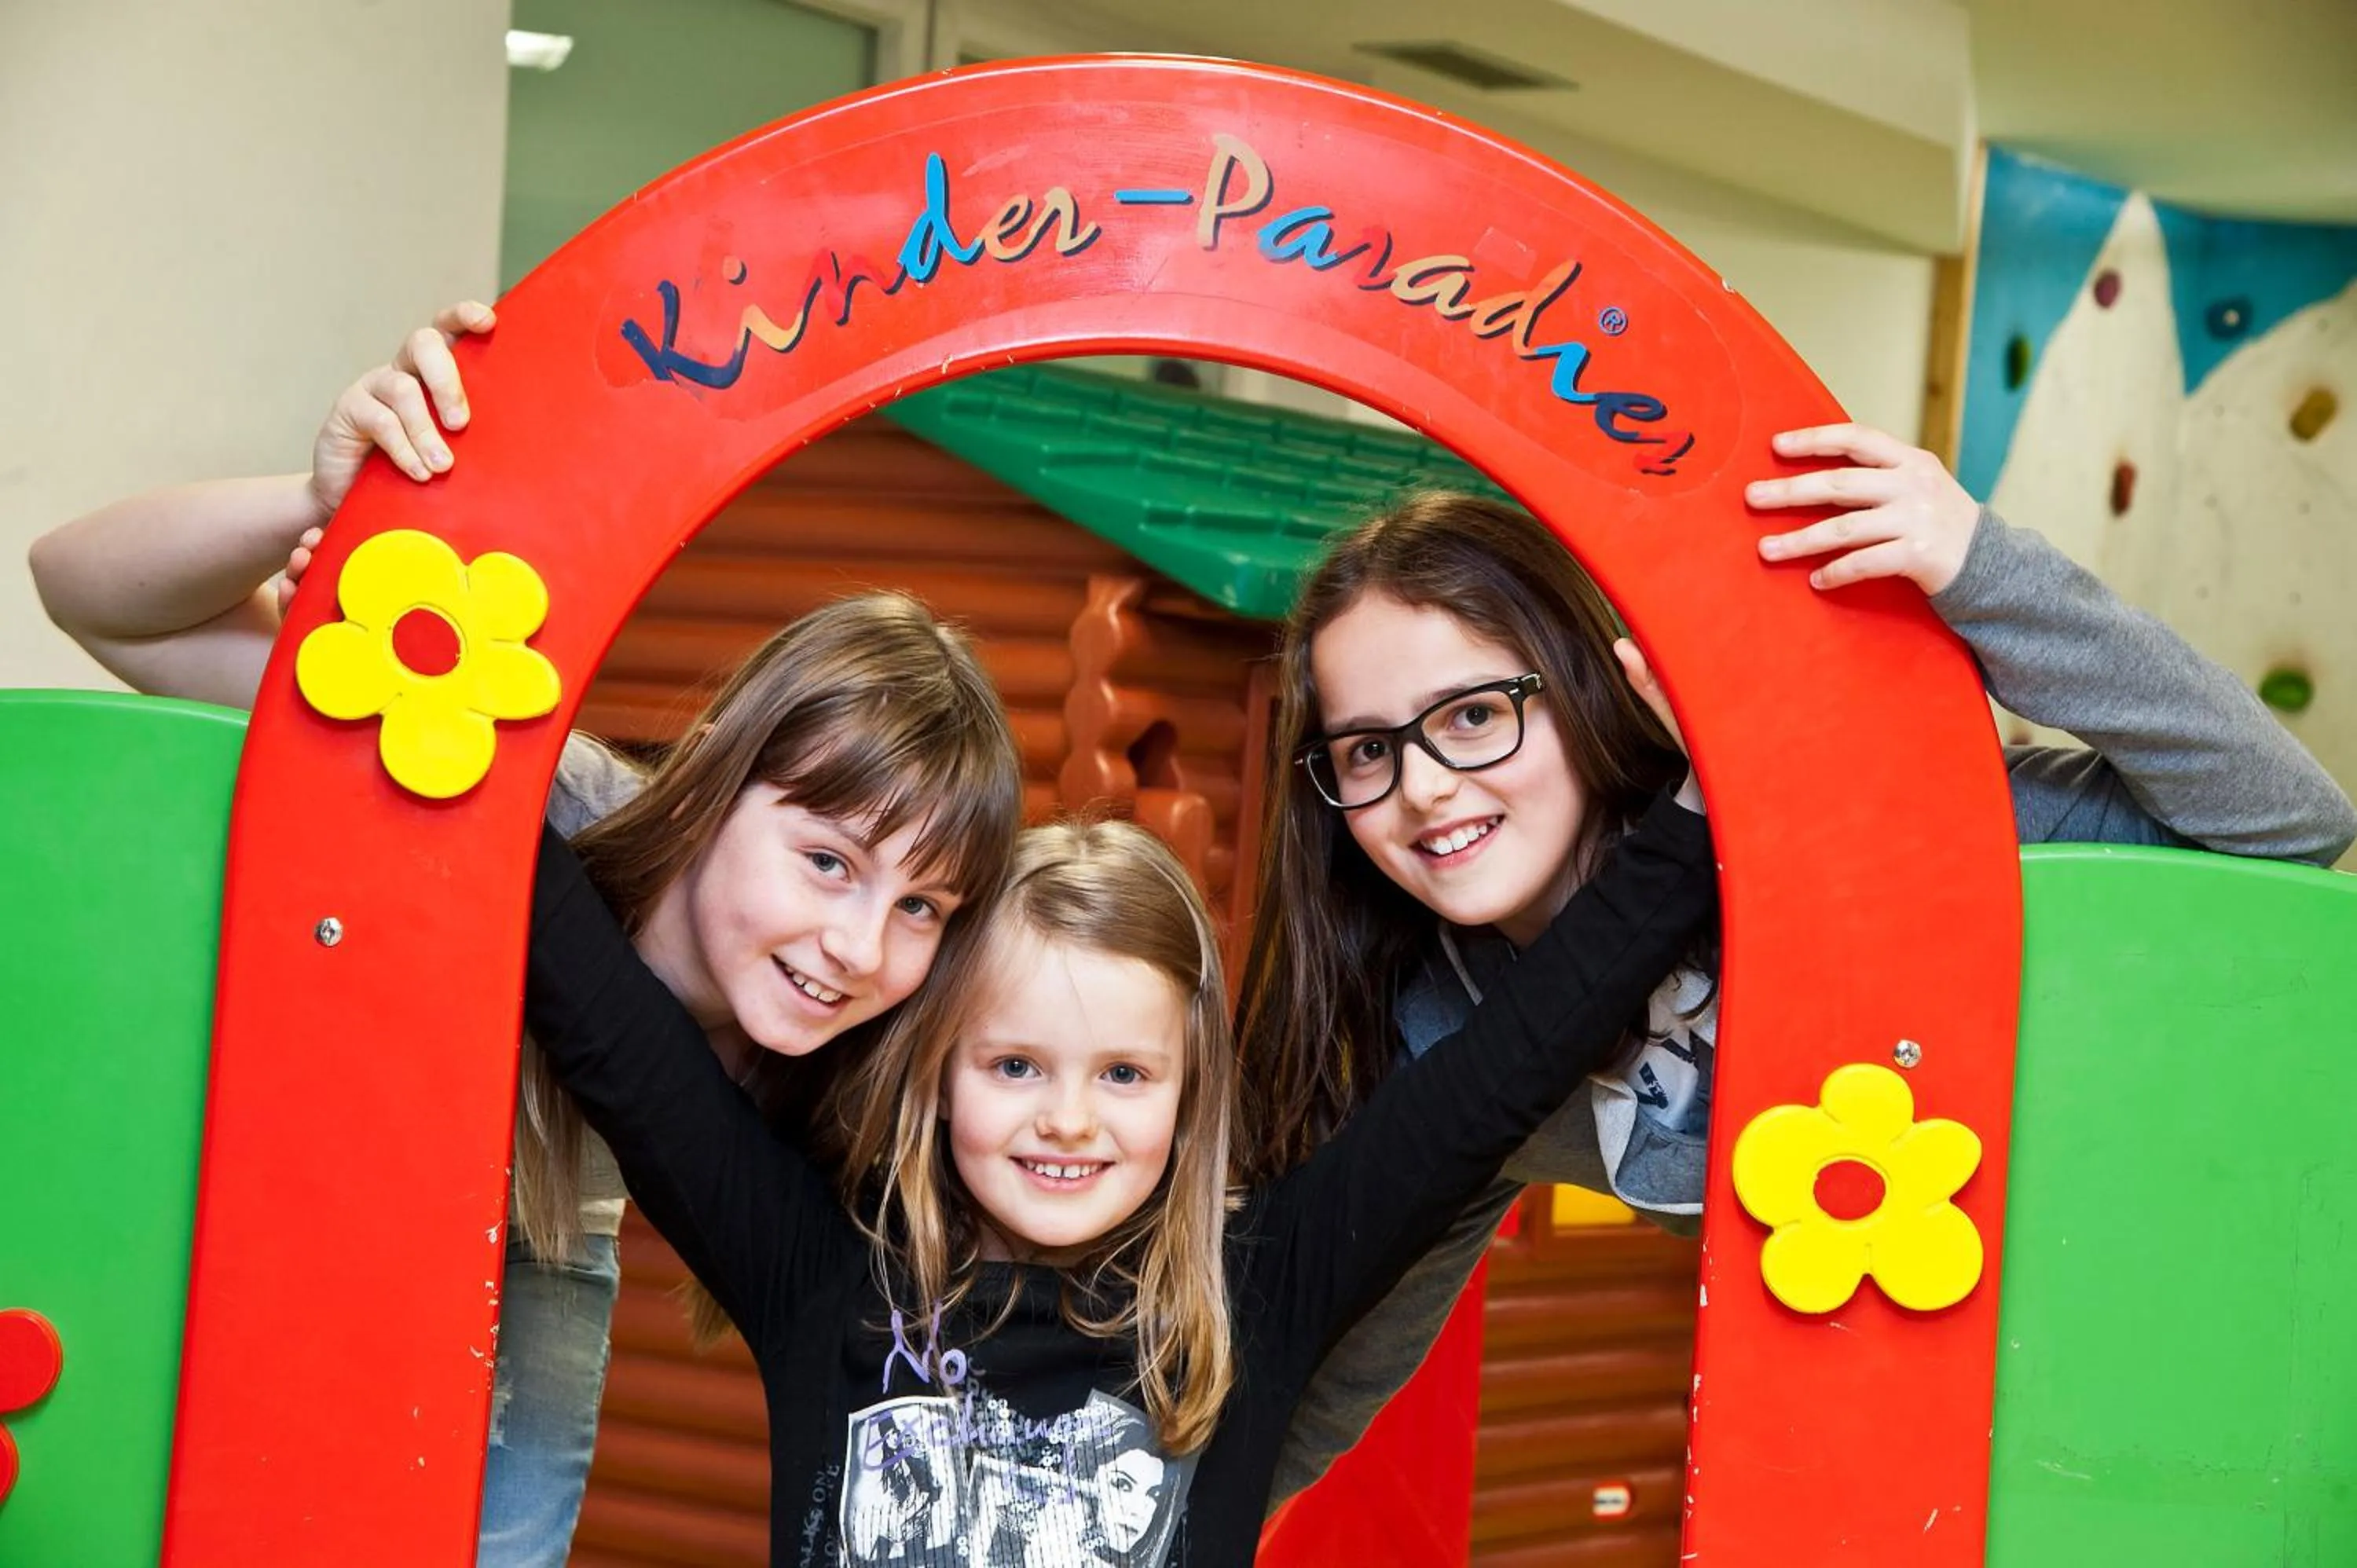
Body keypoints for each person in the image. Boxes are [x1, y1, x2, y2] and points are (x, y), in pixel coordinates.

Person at [26, 306, 1026, 1566]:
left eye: (918, 906)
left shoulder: (860, 1046)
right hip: (301, 1202)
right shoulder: (534, 793)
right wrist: (318, 503)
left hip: (542, 1246)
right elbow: (90, 595)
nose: (856, 945)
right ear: (718, 782)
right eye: (827, 862)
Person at [1233, 424, 2357, 1503]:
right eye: (1369, 749)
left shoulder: (1858, 815)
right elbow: (1326, 1364)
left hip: (2207, 1340)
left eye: (1475, 715)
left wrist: (1984, 572)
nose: (1424, 787)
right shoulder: (1442, 1034)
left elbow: (2289, 822)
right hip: (1954, 1435)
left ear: (1590, 686)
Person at [519, 778, 1719, 1564]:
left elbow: (1504, 1070)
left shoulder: (1264, 1288)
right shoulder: (821, 1269)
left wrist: (1696, 817)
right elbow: (609, 1023)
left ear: (1191, 1091)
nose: (1071, 1123)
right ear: (939, 1069)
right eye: (1017, 1065)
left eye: (1126, 1077)